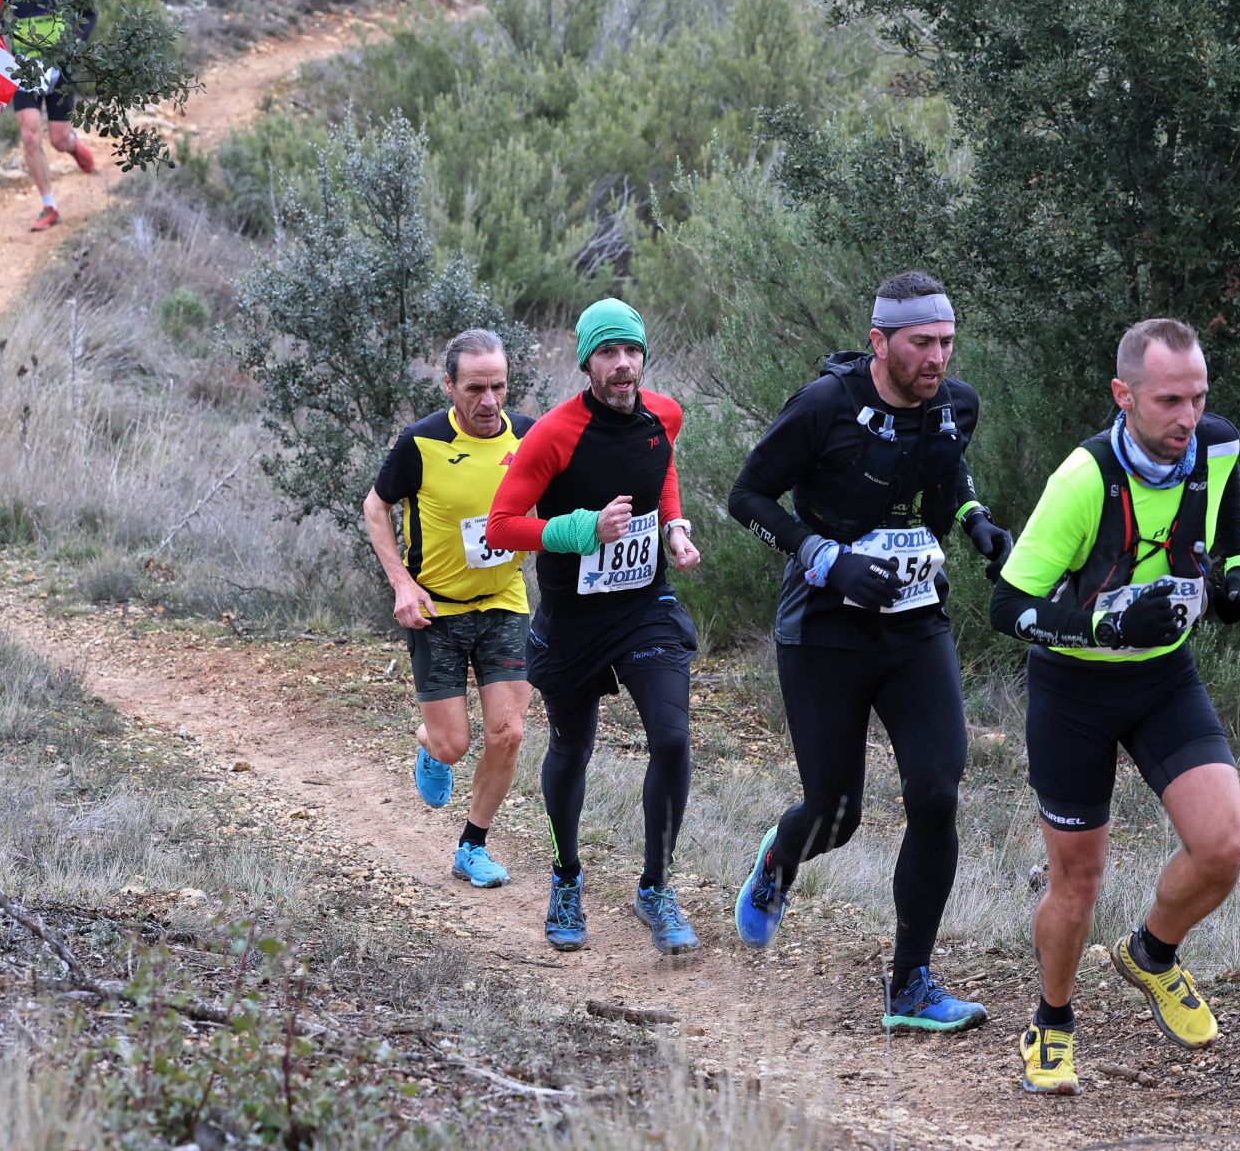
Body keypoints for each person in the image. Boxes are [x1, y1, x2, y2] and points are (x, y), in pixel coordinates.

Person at [727, 270, 1014, 1033]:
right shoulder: (824, 406)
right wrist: (824, 555)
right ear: (880, 341)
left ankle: (909, 984)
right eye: (922, 342)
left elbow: (945, 471)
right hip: (824, 629)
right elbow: (747, 497)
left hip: (916, 625)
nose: (938, 357)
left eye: (947, 342)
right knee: (838, 813)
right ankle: (778, 864)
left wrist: (977, 521)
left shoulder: (957, 403)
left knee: (937, 790)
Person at [988, 317, 1240, 1095]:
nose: (1187, 418)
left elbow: (1228, 523)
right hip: (1073, 691)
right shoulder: (1082, 480)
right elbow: (1007, 606)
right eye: (1170, 400)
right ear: (1124, 395)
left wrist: (1237, 572)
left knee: (1223, 845)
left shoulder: (1215, 443)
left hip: (1165, 678)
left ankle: (1151, 954)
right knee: (1079, 880)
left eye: (1198, 397)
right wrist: (1105, 624)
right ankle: (1052, 1019)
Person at [485, 299, 704, 955]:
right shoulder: (553, 434)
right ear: (586, 363)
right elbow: (500, 526)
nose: (623, 364)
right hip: (573, 620)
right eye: (608, 353)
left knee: (671, 738)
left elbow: (659, 466)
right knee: (572, 748)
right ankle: (566, 877)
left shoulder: (665, 414)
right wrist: (583, 529)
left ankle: (656, 887)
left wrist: (674, 525)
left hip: (644, 608)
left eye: (631, 351)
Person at [363, 329, 536, 890]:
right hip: (436, 610)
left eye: (499, 387)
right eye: (475, 388)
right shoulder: (421, 443)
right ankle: (429, 746)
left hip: (505, 603)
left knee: (508, 732)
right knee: (453, 744)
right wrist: (402, 584)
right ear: (449, 386)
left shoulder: (530, 438)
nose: (489, 402)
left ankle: (472, 846)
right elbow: (375, 507)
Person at [5, 0, 96, 233]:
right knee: (30, 135)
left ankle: (73, 145)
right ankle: (50, 206)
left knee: (57, 139)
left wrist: (75, 43)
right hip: (24, 70)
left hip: (59, 68)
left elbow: (89, 14)